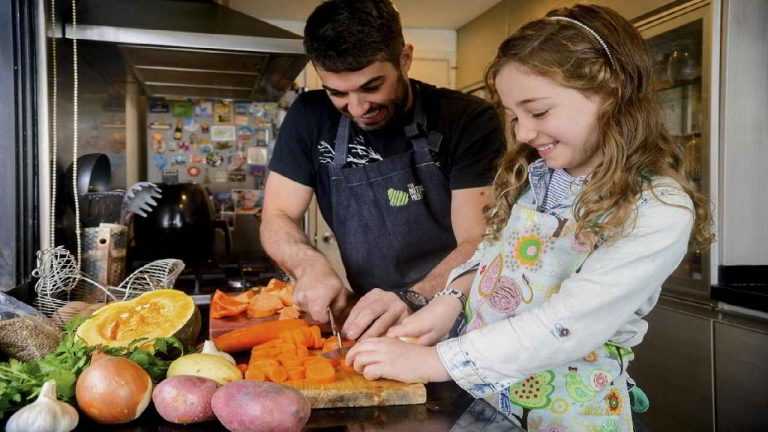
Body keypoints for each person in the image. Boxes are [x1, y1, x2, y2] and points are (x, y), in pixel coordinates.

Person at [346, 4, 712, 431]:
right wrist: (450, 302)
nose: (521, 133)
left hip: (570, 416)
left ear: (612, 93)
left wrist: (434, 361)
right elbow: (492, 252)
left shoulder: (656, 208)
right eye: (514, 116)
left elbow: (567, 325)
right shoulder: (535, 177)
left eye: (538, 112)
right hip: (488, 400)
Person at [261, 0, 505, 339]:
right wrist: (309, 265)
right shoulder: (309, 116)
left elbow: (478, 240)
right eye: (338, 93)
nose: (358, 108)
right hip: (374, 321)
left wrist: (412, 297)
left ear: (404, 59)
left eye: (372, 87)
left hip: (460, 316)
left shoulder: (467, 119)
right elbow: (277, 215)